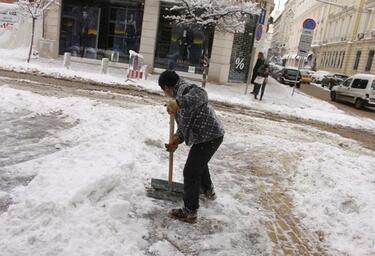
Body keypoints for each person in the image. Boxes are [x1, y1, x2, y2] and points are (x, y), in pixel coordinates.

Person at [158, 70, 225, 224]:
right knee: (199, 164)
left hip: (210, 136)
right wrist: (176, 139)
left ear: (167, 87)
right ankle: (208, 191)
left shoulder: (184, 89)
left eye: (163, 90)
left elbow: (202, 95)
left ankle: (190, 212)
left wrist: (178, 103)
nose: (164, 94)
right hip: (207, 136)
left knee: (190, 171)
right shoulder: (177, 98)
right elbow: (184, 125)